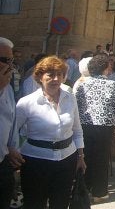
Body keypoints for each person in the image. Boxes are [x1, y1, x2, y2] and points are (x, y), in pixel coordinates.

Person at [11, 56, 86, 209]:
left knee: (60, 203)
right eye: (50, 75)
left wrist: (80, 157)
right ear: (39, 76)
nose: (56, 79)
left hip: (66, 160)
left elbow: (77, 130)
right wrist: (14, 152)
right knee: (35, 203)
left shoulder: (70, 98)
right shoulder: (27, 103)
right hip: (35, 162)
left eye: (60, 74)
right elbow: (12, 132)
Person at [74, 54, 115, 202]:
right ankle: (99, 192)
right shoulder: (111, 84)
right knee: (101, 159)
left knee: (86, 156)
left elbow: (77, 104)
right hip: (104, 126)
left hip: (85, 125)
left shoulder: (82, 84)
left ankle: (85, 187)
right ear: (104, 68)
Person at [0, 38, 17, 209]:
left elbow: (10, 121)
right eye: (5, 61)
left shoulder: (8, 88)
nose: (10, 66)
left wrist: (10, 148)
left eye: (11, 60)